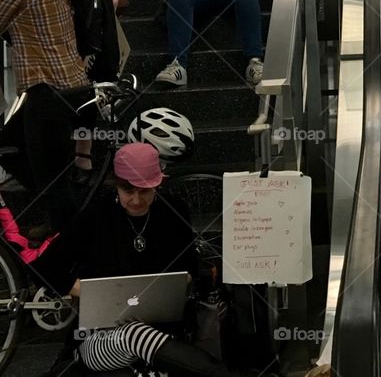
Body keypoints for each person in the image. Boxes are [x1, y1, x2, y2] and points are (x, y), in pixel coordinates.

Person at [30, 142, 232, 377]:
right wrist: (90, 292)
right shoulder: (96, 215)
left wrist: (173, 284)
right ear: (116, 185)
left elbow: (189, 266)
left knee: (142, 335)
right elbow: (44, 267)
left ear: (158, 184)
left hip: (160, 329)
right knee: (132, 335)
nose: (136, 200)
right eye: (127, 191)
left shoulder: (173, 211)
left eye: (144, 191)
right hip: (101, 337)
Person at [0, 0, 93, 232]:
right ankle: (58, 223)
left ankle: (72, 251)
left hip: (47, 93)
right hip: (75, 86)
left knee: (54, 183)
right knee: (12, 148)